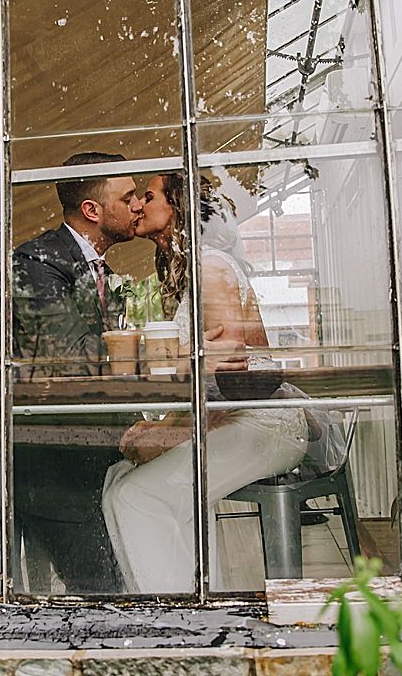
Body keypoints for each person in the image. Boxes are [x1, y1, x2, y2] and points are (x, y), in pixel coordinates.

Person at [101, 174, 312, 593]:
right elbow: (201, 379)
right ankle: (196, 596)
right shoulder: (189, 272)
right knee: (120, 482)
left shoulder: (212, 268)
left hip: (262, 424)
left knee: (135, 496)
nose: (138, 206)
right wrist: (165, 426)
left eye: (148, 196)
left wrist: (167, 432)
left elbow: (230, 381)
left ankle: (178, 617)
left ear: (177, 206)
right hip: (228, 420)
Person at [0, 151, 142, 594]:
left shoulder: (95, 268)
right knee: (104, 588)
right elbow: (72, 358)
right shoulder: (35, 263)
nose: (138, 205)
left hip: (84, 450)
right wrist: (153, 346)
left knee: (132, 558)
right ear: (92, 210)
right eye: (128, 197)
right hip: (41, 458)